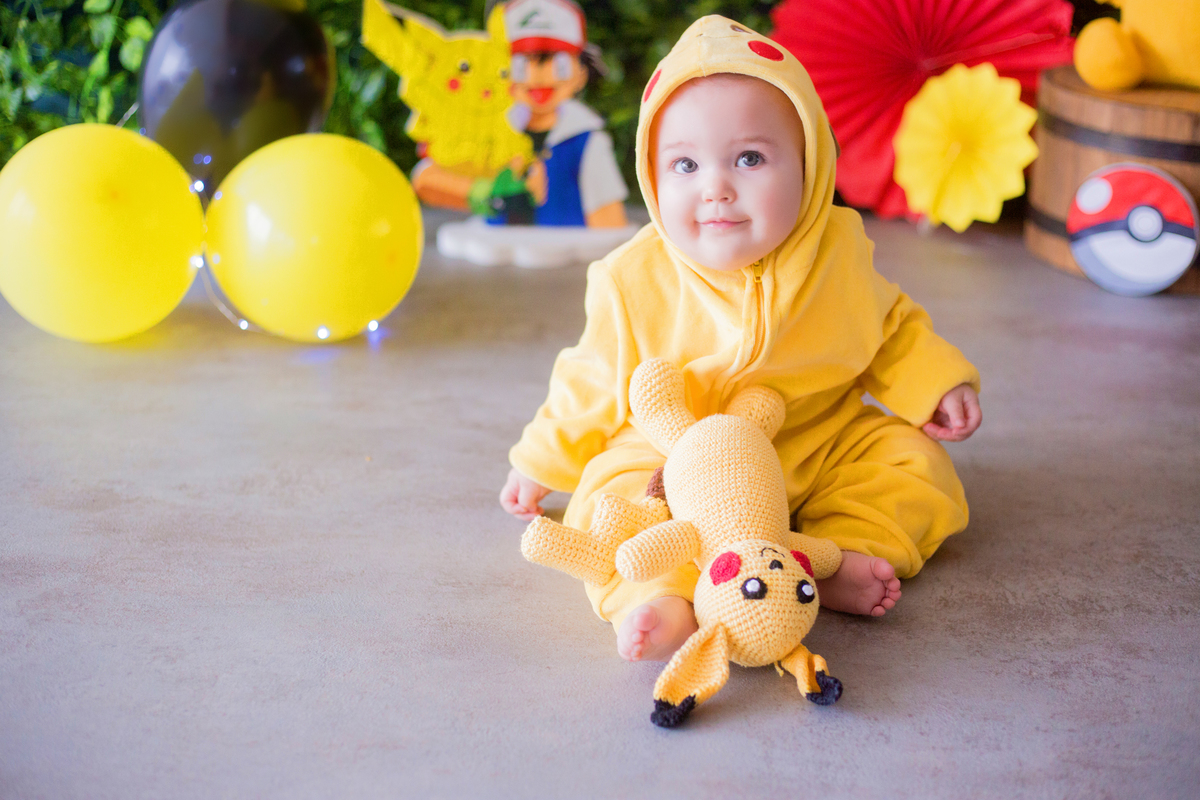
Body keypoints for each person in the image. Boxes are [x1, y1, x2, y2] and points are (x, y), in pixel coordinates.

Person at [500, 15, 982, 663]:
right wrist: (540, 459)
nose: (715, 187)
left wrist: (935, 382)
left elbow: (889, 328)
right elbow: (589, 378)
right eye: (685, 164)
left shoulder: (836, 252)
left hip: (815, 440)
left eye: (749, 157)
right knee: (608, 498)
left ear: (810, 164)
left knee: (911, 462)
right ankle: (660, 597)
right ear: (651, 174)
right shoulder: (631, 277)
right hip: (672, 464)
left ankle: (833, 556)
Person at [412, 0, 629, 228]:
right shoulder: (491, 128)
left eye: (559, 64)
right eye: (519, 65)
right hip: (496, 253)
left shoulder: (586, 141)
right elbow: (426, 179)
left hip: (567, 256)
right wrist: (481, 191)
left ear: (581, 73)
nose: (537, 77)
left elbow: (608, 222)